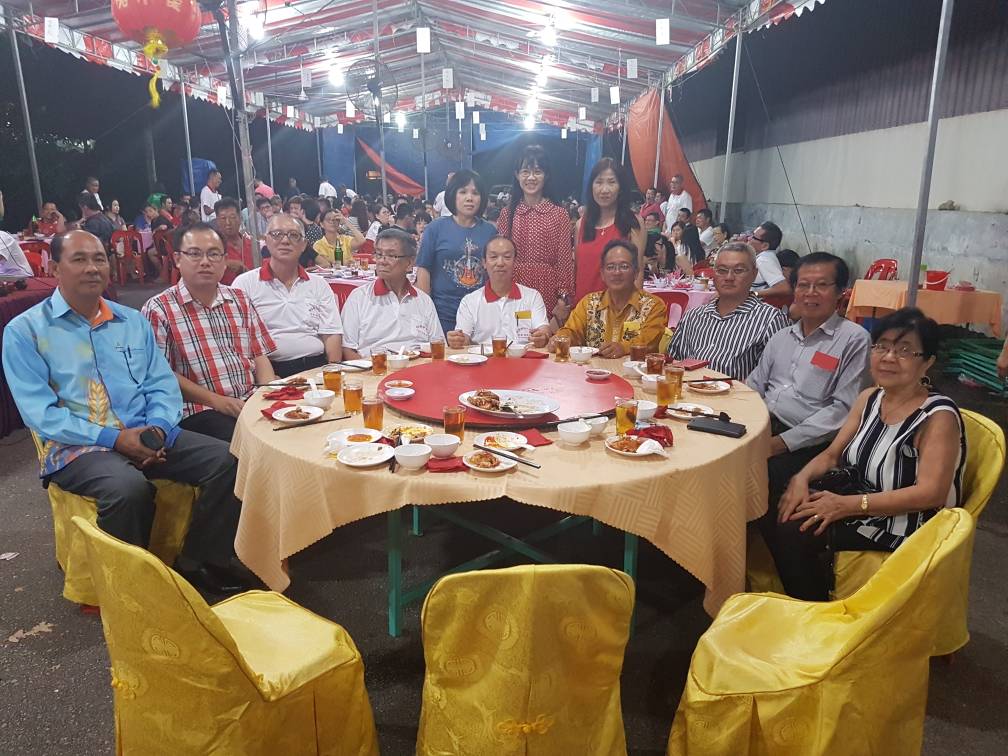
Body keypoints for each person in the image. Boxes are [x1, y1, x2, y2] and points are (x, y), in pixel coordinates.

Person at [2, 230, 252, 595]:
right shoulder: (26, 331)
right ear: (54, 268)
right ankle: (129, 592)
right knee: (127, 489)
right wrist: (116, 439)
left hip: (147, 432)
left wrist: (157, 430)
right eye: (79, 259)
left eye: (99, 259)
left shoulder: (131, 321)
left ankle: (199, 564)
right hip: (79, 446)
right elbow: (40, 414)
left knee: (230, 460)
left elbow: (161, 385)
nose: (92, 268)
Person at [770, 307, 966, 601]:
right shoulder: (870, 398)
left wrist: (847, 505)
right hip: (858, 496)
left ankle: (822, 613)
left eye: (905, 350)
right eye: (882, 347)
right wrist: (801, 479)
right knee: (776, 503)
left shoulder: (937, 417)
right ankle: (805, 597)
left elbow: (931, 494)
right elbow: (832, 455)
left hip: (907, 520)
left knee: (794, 530)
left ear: (927, 362)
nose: (889, 357)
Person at [746, 252, 872, 536]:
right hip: (763, 425)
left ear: (840, 292)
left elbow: (843, 411)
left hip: (811, 442)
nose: (810, 293)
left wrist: (780, 443)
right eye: (803, 285)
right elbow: (754, 385)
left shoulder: (853, 340)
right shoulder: (781, 338)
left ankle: (750, 549)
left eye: (821, 285)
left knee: (754, 475)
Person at [142, 223, 276, 442]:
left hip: (249, 399)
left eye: (213, 254)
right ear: (177, 259)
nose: (205, 262)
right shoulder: (159, 309)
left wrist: (268, 394)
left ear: (224, 261)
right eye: (195, 254)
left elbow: (259, 355)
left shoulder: (239, 299)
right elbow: (162, 374)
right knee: (250, 442)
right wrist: (218, 402)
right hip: (200, 409)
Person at [231, 214, 343, 377]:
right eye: (277, 234)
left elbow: (331, 334)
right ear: (266, 241)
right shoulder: (245, 284)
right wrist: (263, 378)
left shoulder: (319, 284)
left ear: (304, 245)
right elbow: (240, 341)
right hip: (269, 370)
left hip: (316, 367)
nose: (285, 241)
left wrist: (333, 373)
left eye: (293, 235)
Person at [667, 242, 790, 380]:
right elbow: (673, 362)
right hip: (688, 391)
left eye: (738, 271)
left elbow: (777, 377)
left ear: (754, 274)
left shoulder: (769, 319)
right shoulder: (693, 316)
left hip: (738, 393)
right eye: (722, 270)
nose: (729, 277)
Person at [496, 144, 576, 336]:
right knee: (517, 340)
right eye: (525, 171)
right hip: (515, 286)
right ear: (517, 175)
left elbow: (564, 261)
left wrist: (563, 299)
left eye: (537, 172)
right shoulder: (507, 214)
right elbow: (501, 258)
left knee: (543, 340)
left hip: (548, 288)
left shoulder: (559, 214)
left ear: (546, 176)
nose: (531, 177)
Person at [549, 239, 666, 358]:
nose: (617, 272)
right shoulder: (589, 303)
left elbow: (649, 340)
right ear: (602, 274)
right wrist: (560, 339)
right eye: (610, 267)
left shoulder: (653, 306)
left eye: (624, 266)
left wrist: (623, 348)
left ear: (636, 272)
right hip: (593, 368)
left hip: (635, 369)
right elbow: (572, 331)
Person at [416, 169, 498, 333]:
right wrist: (427, 310)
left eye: (475, 193)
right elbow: (424, 269)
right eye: (463, 192)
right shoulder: (435, 229)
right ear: (453, 195)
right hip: (443, 314)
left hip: (480, 314)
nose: (469, 198)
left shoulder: (490, 231)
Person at [341, 228, 443, 359]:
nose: (382, 261)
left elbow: (438, 344)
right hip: (375, 366)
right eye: (379, 254)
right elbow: (347, 349)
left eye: (391, 255)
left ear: (409, 263)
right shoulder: (359, 297)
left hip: (417, 365)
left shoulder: (423, 300)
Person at [448, 236, 551, 348]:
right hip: (483, 358)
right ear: (484, 263)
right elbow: (463, 337)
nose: (500, 263)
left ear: (515, 262)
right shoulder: (469, 301)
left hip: (522, 357)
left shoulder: (532, 297)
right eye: (493, 257)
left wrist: (542, 337)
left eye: (507, 257)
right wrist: (458, 340)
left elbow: (543, 330)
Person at [575, 158, 645, 302]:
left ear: (621, 188)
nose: (604, 190)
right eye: (599, 182)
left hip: (618, 308)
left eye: (611, 182)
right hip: (583, 307)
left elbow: (638, 273)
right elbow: (577, 269)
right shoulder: (581, 224)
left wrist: (633, 311)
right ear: (591, 186)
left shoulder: (633, 223)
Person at [212, 198, 253, 286]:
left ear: (240, 219)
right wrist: (225, 263)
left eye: (232, 217)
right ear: (217, 221)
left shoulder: (252, 245)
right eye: (223, 218)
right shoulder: (212, 248)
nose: (228, 222)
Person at [748, 221, 791, 299]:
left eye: (754, 237)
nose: (749, 238)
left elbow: (784, 288)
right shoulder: (765, 257)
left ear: (765, 246)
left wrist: (752, 294)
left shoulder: (764, 260)